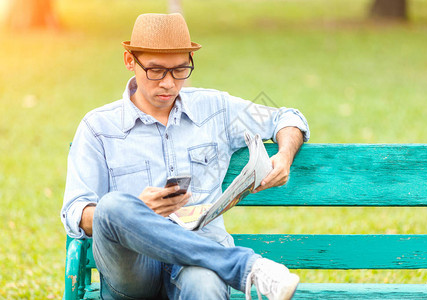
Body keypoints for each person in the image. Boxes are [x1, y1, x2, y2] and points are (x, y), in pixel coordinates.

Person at [61, 13, 310, 300]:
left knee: (205, 285)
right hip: (132, 270)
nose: (168, 83)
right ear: (129, 60)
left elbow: (287, 117)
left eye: (180, 70)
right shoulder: (98, 127)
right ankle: (245, 266)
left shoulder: (216, 108)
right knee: (114, 206)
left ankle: (235, 265)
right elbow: (76, 212)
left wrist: (284, 155)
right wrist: (136, 212)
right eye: (155, 70)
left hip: (198, 258)